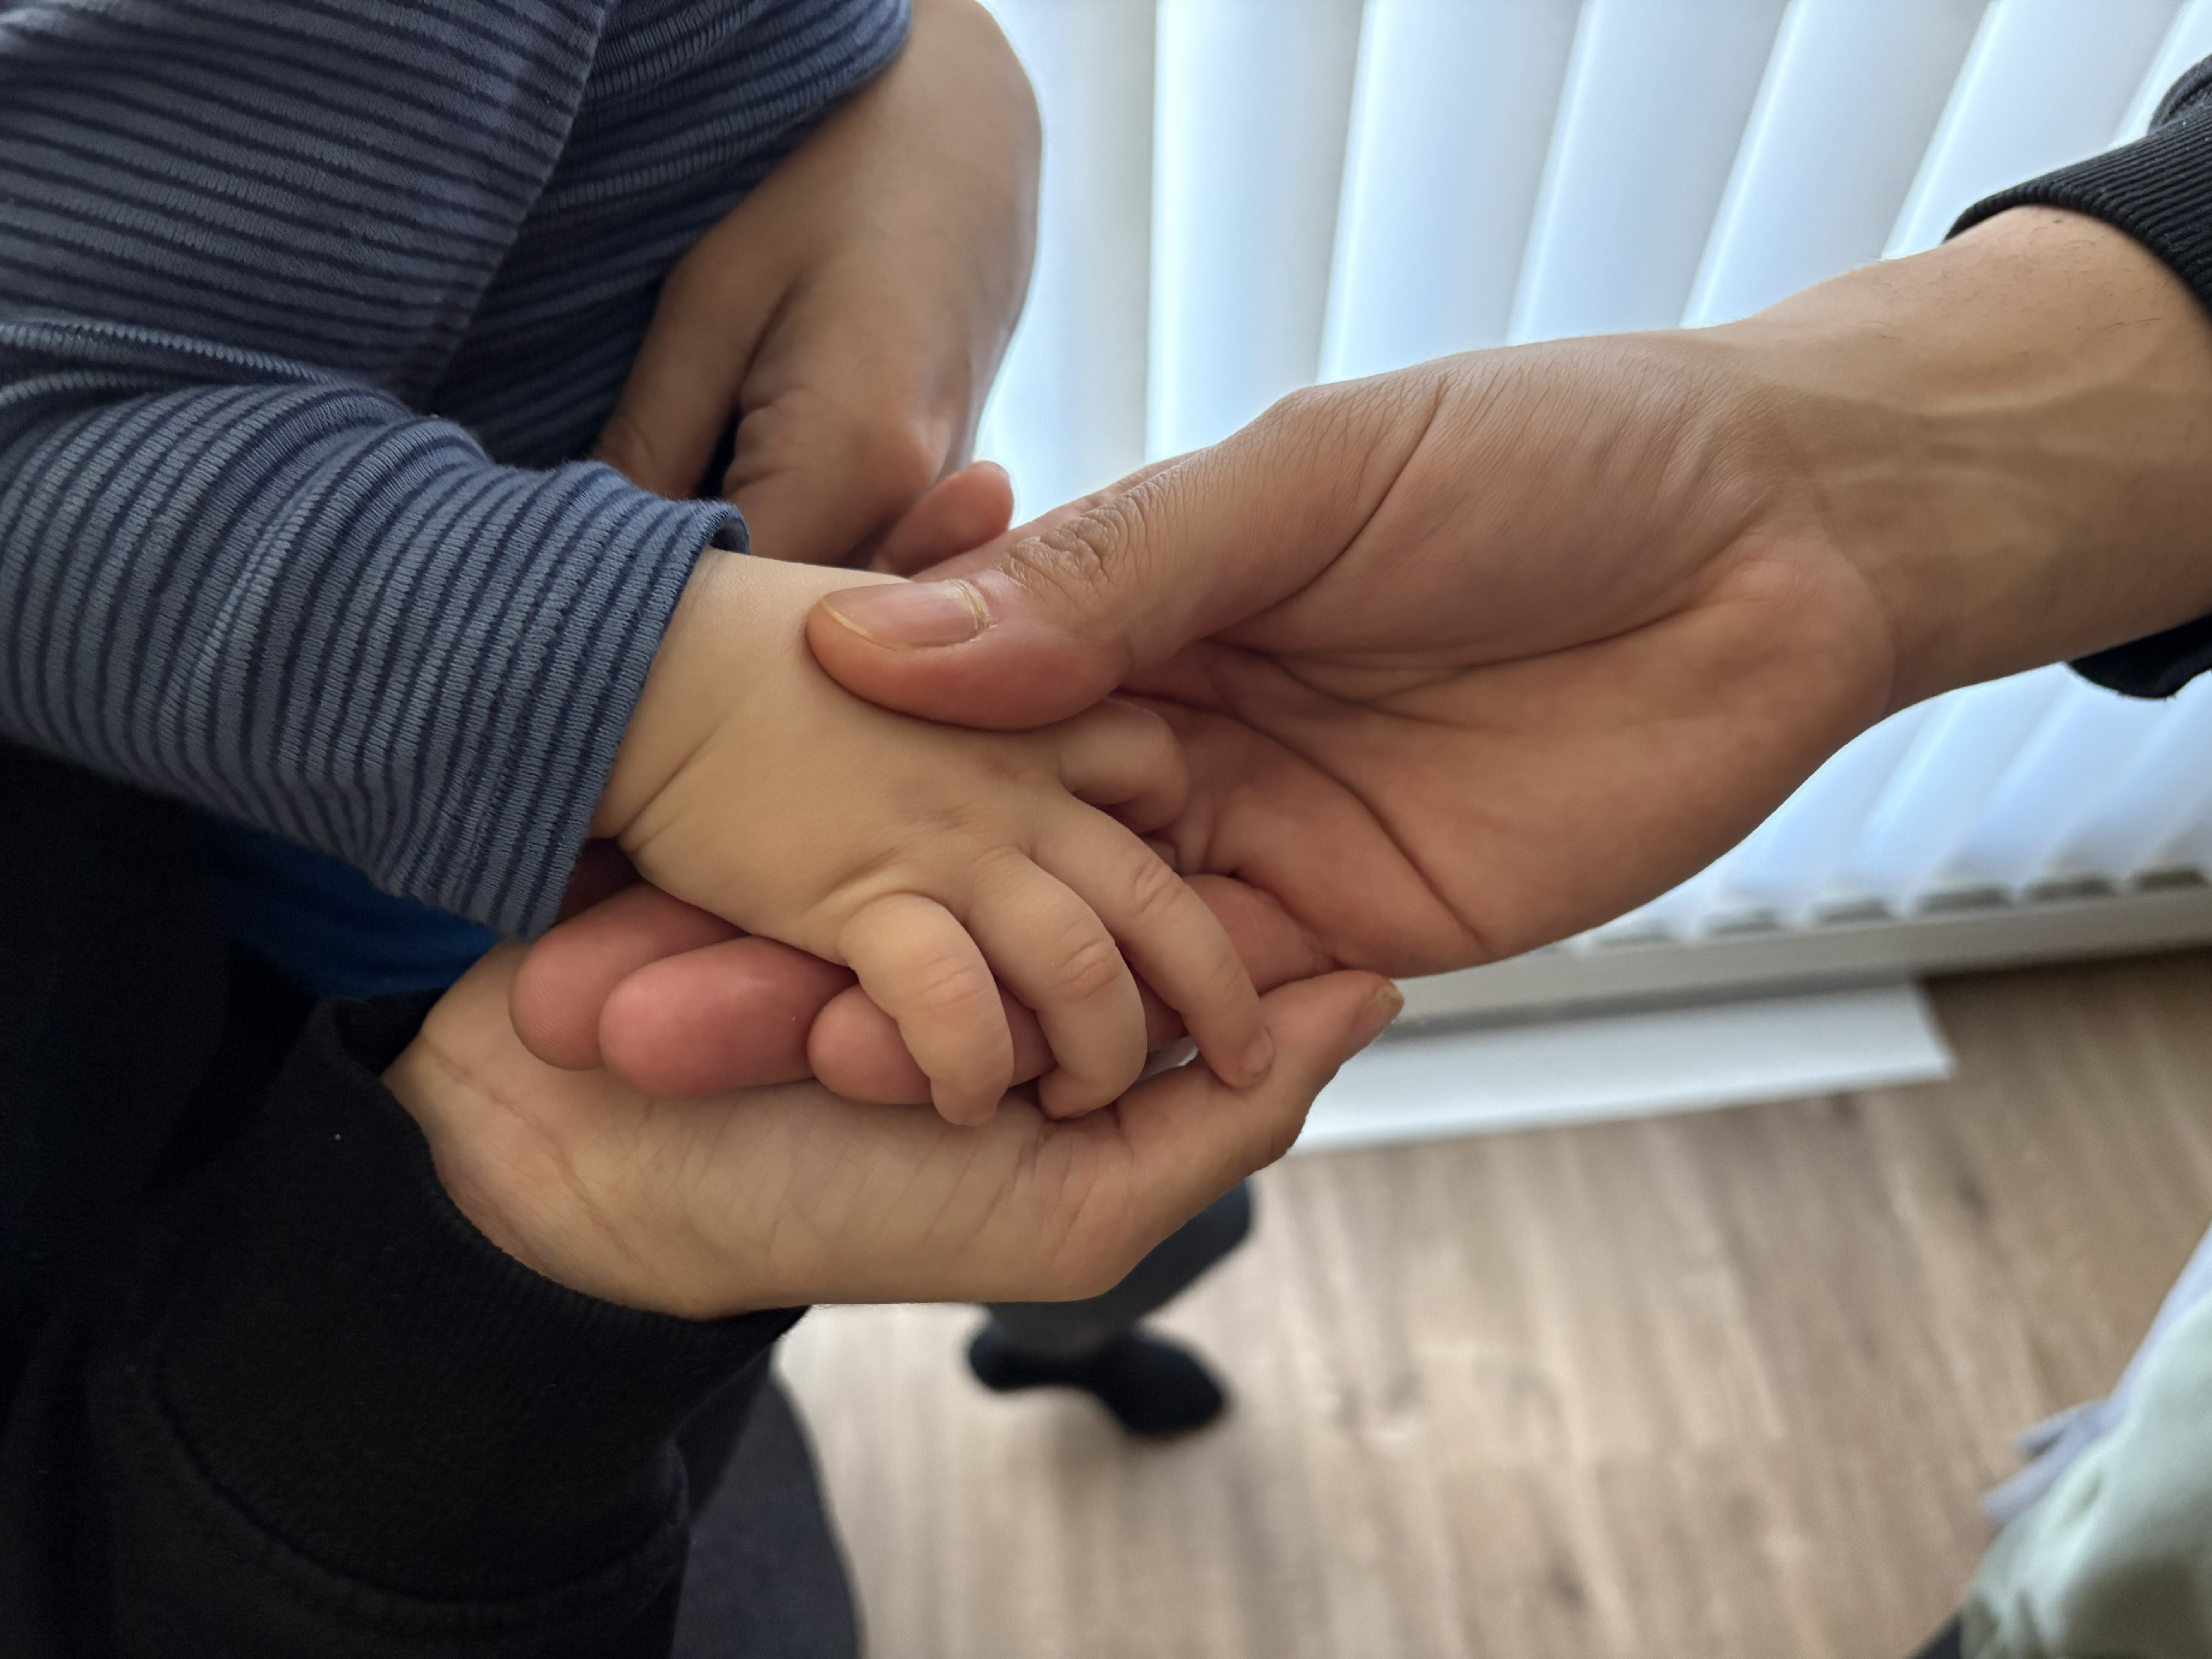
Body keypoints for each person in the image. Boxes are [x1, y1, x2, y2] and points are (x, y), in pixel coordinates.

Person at [536, 57, 2212, 1659]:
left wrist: (933, 74)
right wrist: (640, 681)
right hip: (535, 854)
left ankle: (1080, 1336)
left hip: (864, 666)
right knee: (933, 1105)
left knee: (1114, 1062)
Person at [0, 0, 1299, 1649]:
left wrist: (940, 76)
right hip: (469, 879)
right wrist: (665, 705)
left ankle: (1076, 1332)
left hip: (808, 672)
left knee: (1119, 1119)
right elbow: (42, 431)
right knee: (1022, 1078)